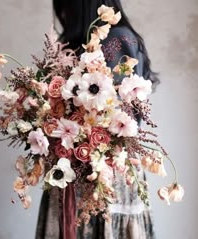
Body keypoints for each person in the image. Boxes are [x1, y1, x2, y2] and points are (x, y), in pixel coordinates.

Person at [35, 0, 160, 238]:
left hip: (105, 176)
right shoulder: (69, 43)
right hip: (70, 172)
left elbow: (114, 115)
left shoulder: (117, 39)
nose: (62, 12)